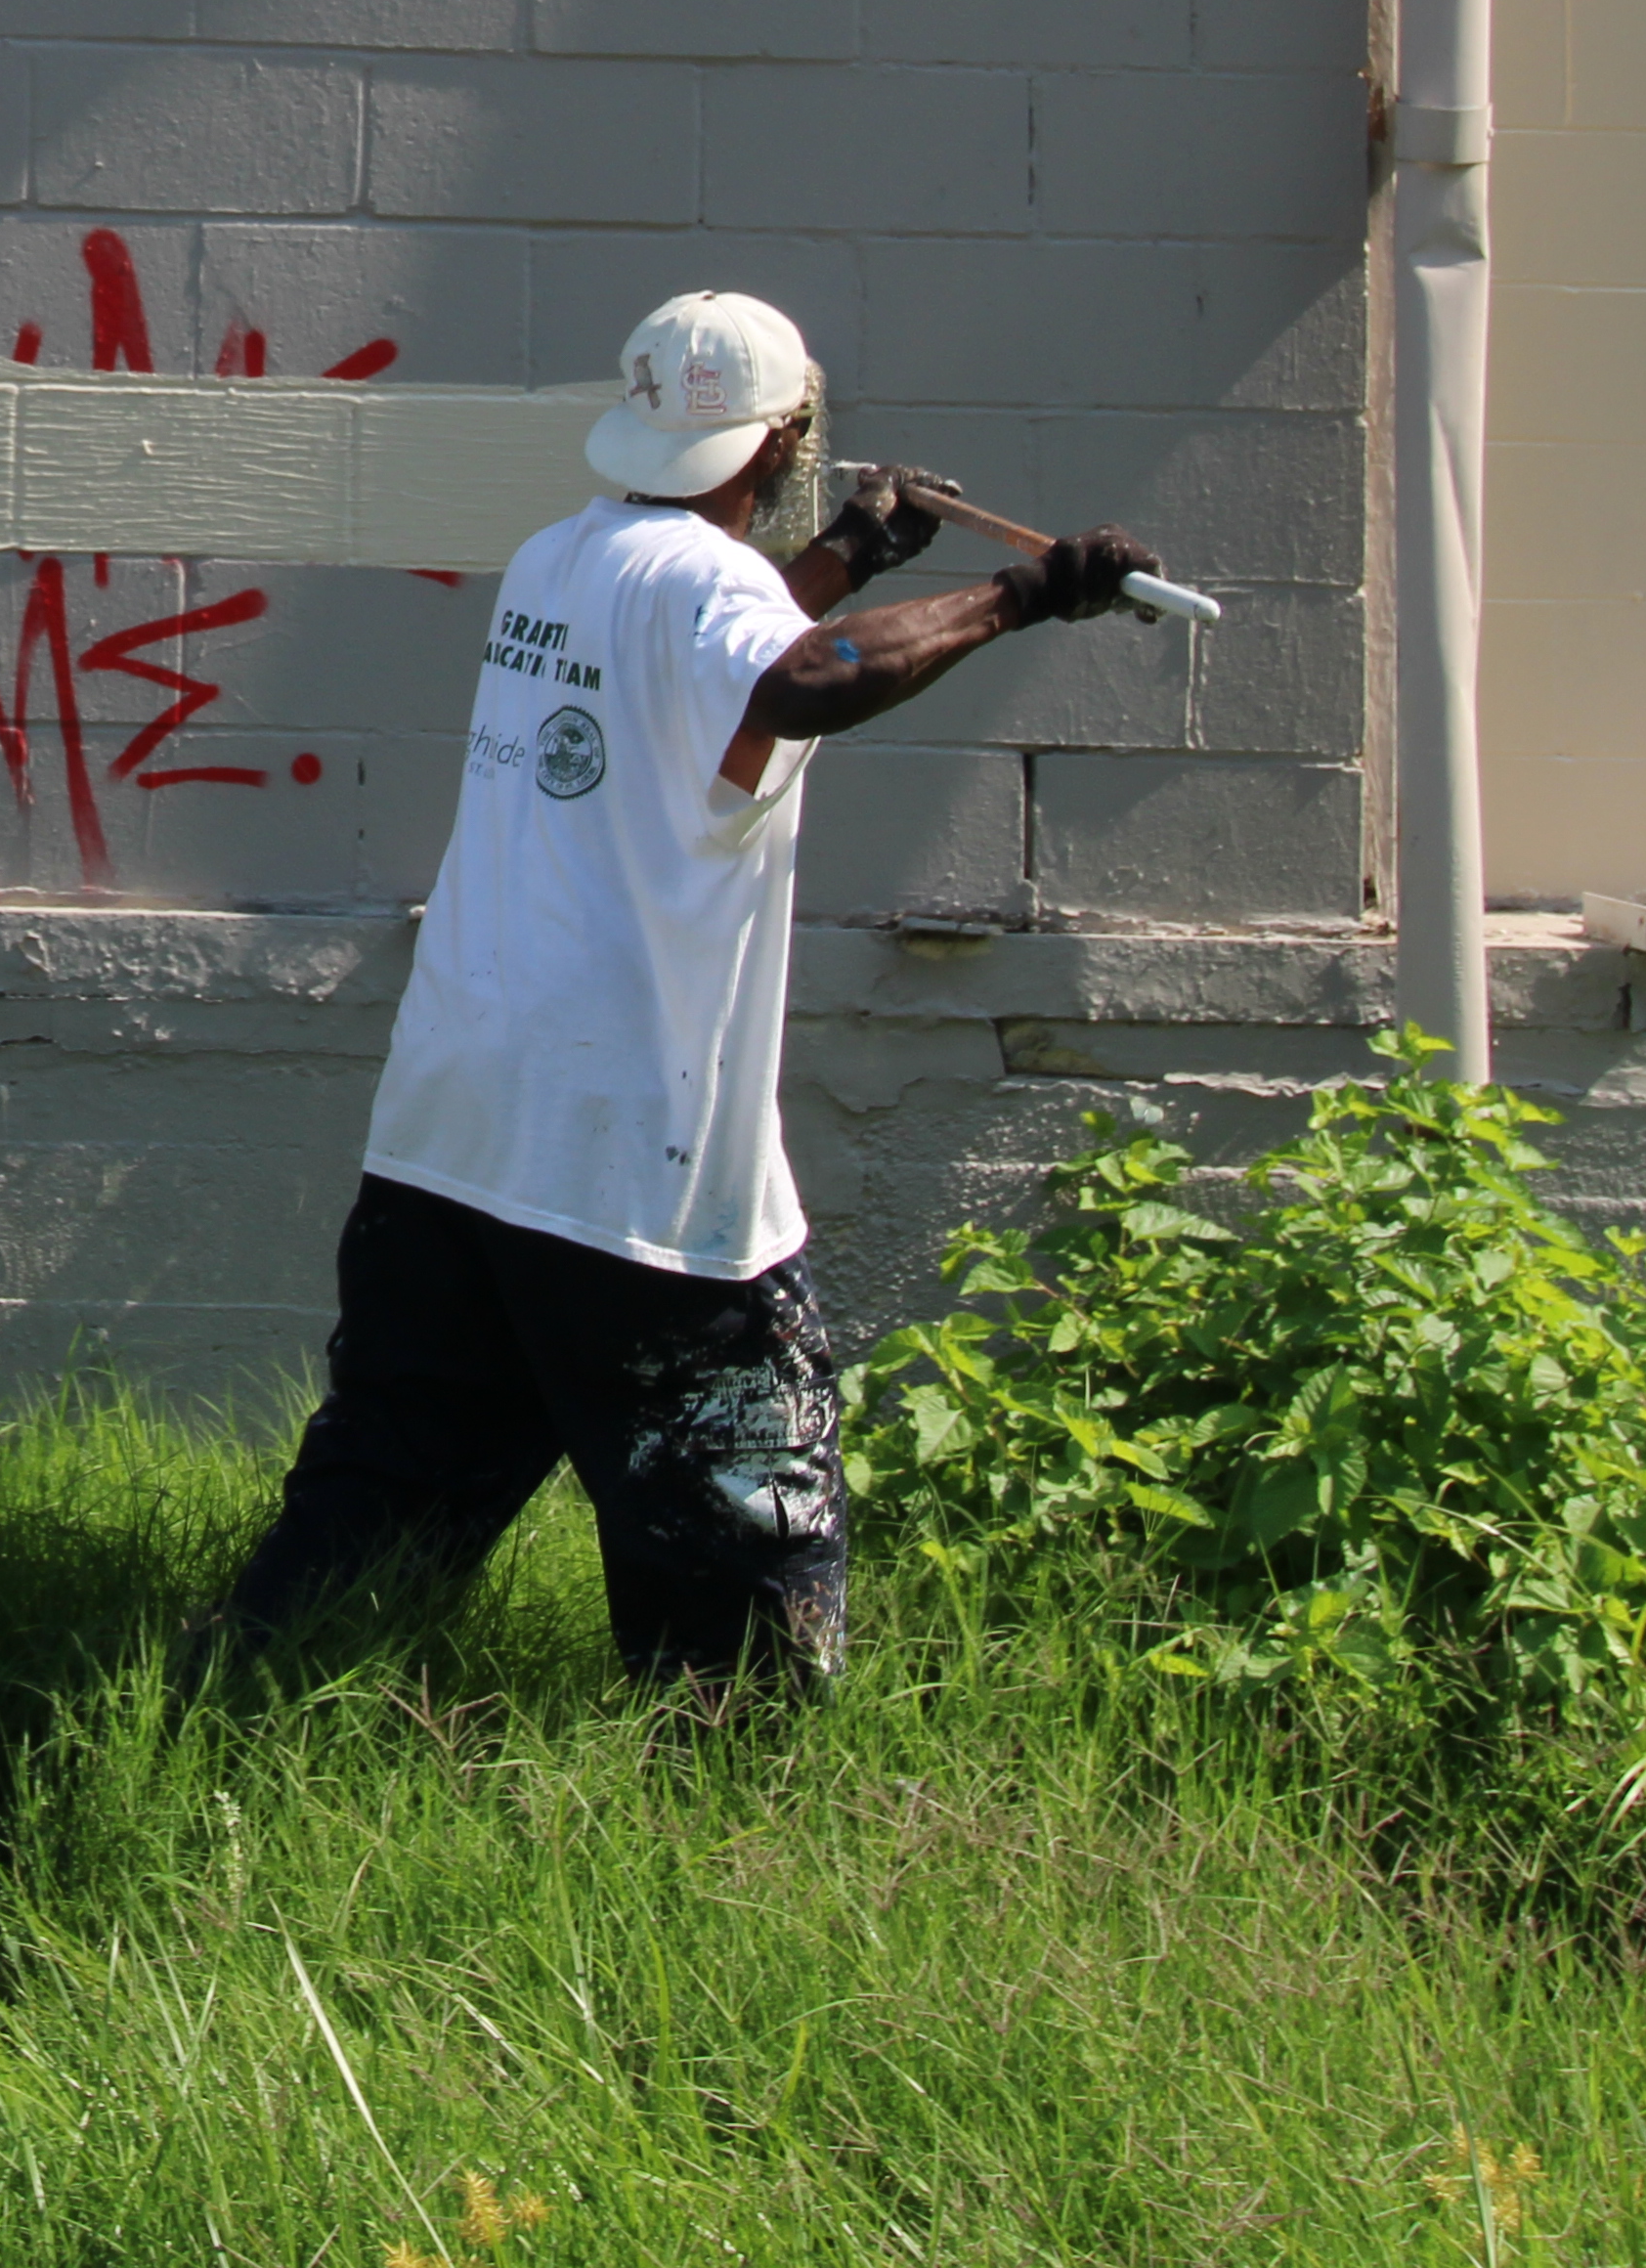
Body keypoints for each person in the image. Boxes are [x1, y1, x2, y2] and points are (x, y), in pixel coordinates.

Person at [202, 290, 1162, 1694]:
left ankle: (222, 1719)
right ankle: (729, 1819)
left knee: (380, 1503)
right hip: (630, 1182)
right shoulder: (720, 606)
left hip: (456, 1141)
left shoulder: (559, 561)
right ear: (780, 442)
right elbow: (799, 678)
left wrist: (845, 554)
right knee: (743, 1578)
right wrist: (1024, 593)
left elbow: (712, 651)